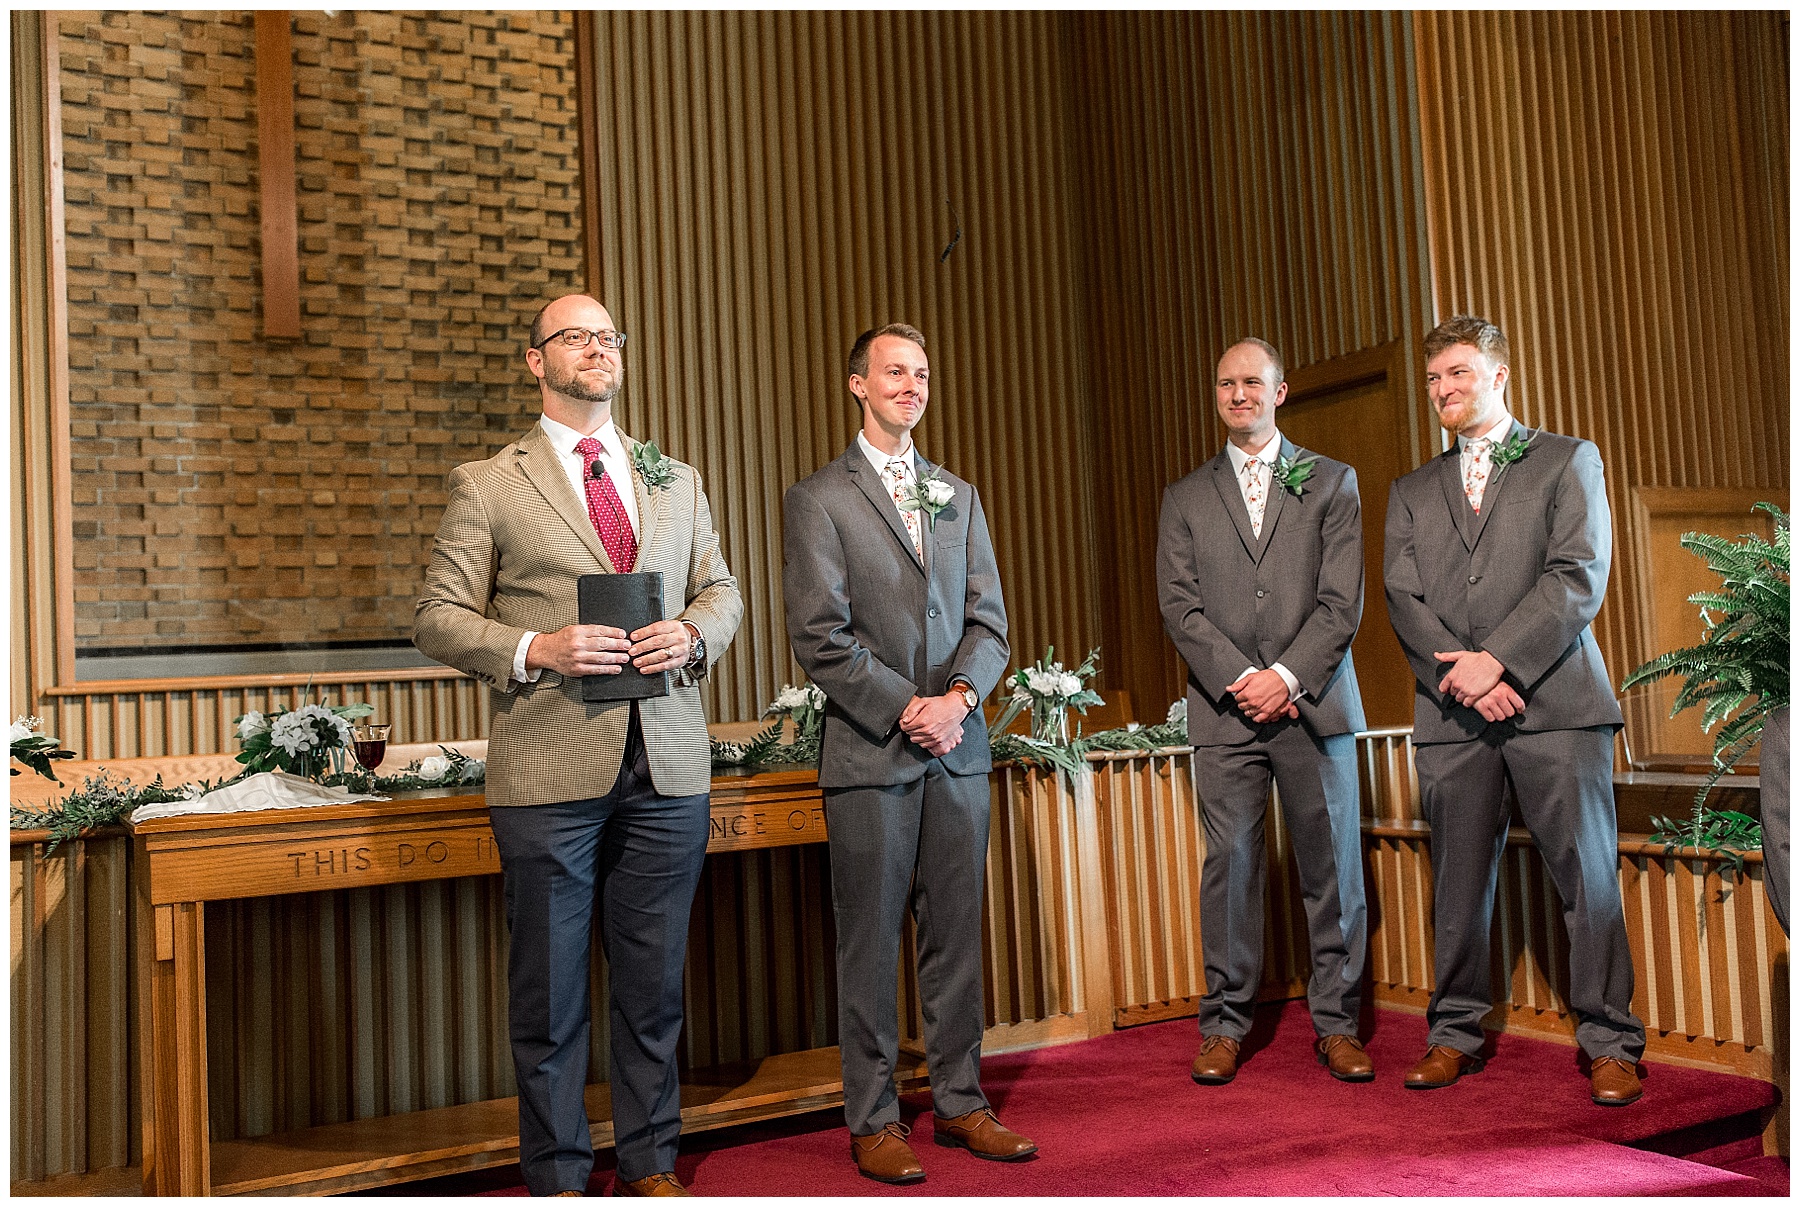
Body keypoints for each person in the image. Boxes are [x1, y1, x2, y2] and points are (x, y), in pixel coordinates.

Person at [415, 293, 742, 1196]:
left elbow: (722, 589)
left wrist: (694, 634)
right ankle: (558, 1176)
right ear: (535, 361)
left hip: (667, 762)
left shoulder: (674, 476)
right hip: (549, 766)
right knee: (550, 999)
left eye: (608, 337)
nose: (596, 349)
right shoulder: (489, 481)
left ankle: (651, 1163)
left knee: (654, 990)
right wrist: (535, 648)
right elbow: (435, 616)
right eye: (574, 337)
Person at [781, 323, 1034, 1185]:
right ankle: (875, 1116)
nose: (911, 384)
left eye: (922, 372)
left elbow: (990, 623)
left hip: (959, 749)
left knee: (957, 934)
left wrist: (959, 701)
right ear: (857, 384)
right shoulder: (819, 498)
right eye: (894, 371)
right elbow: (819, 636)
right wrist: (907, 708)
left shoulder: (959, 494)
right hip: (869, 754)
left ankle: (963, 1102)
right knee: (870, 939)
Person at [1383, 314, 1646, 1106]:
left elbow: (1577, 574)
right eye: (1433, 379)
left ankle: (1610, 1040)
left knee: (1587, 878)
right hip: (1454, 716)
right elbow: (1404, 598)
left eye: (1457, 373)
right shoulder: (1411, 489)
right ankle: (1453, 1032)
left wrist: (1499, 660)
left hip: (1558, 705)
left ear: (1499, 374)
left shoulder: (1569, 459)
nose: (1442, 390)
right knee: (1458, 885)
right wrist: (1466, 681)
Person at [1156, 337, 1372, 1086]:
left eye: (1253, 382)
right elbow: (1180, 609)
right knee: (1232, 866)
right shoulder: (1184, 497)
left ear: (1280, 393)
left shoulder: (1334, 482)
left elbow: (1342, 604)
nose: (1238, 393)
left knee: (1332, 868)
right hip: (1225, 713)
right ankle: (1224, 1024)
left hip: (1312, 706)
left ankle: (1339, 1024)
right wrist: (1243, 679)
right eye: (1226, 383)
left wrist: (1284, 676)